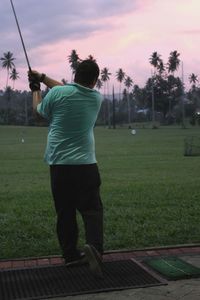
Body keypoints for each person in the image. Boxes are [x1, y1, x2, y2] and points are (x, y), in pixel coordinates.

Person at [28, 60, 104, 277]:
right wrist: (42, 77)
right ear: (94, 80)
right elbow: (65, 88)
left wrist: (36, 89)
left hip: (60, 165)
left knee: (65, 212)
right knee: (92, 211)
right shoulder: (96, 98)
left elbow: (38, 112)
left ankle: (70, 255)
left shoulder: (58, 93)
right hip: (86, 165)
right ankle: (95, 249)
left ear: (75, 75)